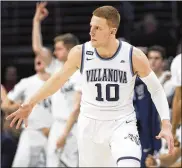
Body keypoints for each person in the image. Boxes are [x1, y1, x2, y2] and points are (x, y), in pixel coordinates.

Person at [7, 5, 174, 167]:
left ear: (112, 31)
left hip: (122, 123)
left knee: (129, 163)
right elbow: (56, 80)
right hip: (90, 126)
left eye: (98, 28)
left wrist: (166, 123)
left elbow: (156, 89)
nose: (91, 32)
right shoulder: (80, 53)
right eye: (91, 26)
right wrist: (31, 102)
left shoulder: (133, 55)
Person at [32, 2, 80, 167]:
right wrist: (36, 21)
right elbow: (38, 49)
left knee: (72, 164)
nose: (54, 52)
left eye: (58, 49)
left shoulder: (82, 71)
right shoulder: (57, 68)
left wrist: (65, 134)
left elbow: (77, 107)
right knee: (52, 164)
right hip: (57, 123)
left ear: (69, 49)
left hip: (74, 126)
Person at [4, 56, 53, 167]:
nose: (38, 58)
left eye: (42, 55)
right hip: (31, 131)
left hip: (53, 133)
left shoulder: (60, 82)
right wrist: (20, 105)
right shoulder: (27, 82)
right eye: (37, 56)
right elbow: (5, 105)